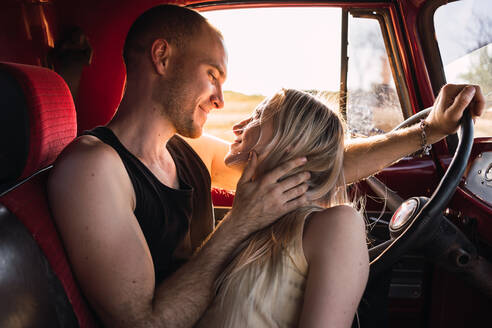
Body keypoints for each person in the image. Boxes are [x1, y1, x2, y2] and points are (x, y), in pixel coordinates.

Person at [47, 4, 485, 328]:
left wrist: (427, 129)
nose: (220, 99)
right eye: (213, 74)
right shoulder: (94, 168)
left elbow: (312, 166)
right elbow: (141, 324)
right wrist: (239, 224)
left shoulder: (182, 152)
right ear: (162, 58)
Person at [196, 88, 368, 327]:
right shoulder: (248, 223)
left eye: (258, 116)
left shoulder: (336, 224)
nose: (237, 127)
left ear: (291, 141)